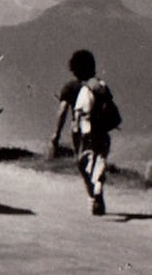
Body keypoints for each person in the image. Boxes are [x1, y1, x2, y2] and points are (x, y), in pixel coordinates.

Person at [48, 49, 115, 216]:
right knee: (99, 157)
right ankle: (98, 186)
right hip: (102, 130)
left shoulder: (70, 87)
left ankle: (92, 195)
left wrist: (55, 135)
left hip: (81, 131)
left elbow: (62, 111)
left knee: (83, 163)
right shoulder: (100, 85)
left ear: (74, 69)